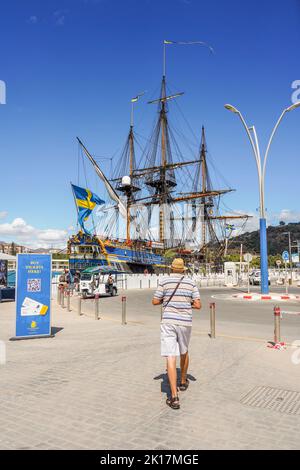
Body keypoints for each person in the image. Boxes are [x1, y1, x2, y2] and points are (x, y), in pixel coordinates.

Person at [152, 258, 201, 410]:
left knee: (170, 356)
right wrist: (187, 303)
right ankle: (183, 380)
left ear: (171, 269)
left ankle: (174, 396)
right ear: (184, 270)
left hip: (168, 321)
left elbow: (154, 301)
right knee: (184, 351)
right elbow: (198, 305)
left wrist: (166, 301)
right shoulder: (191, 282)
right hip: (185, 322)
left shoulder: (164, 281)